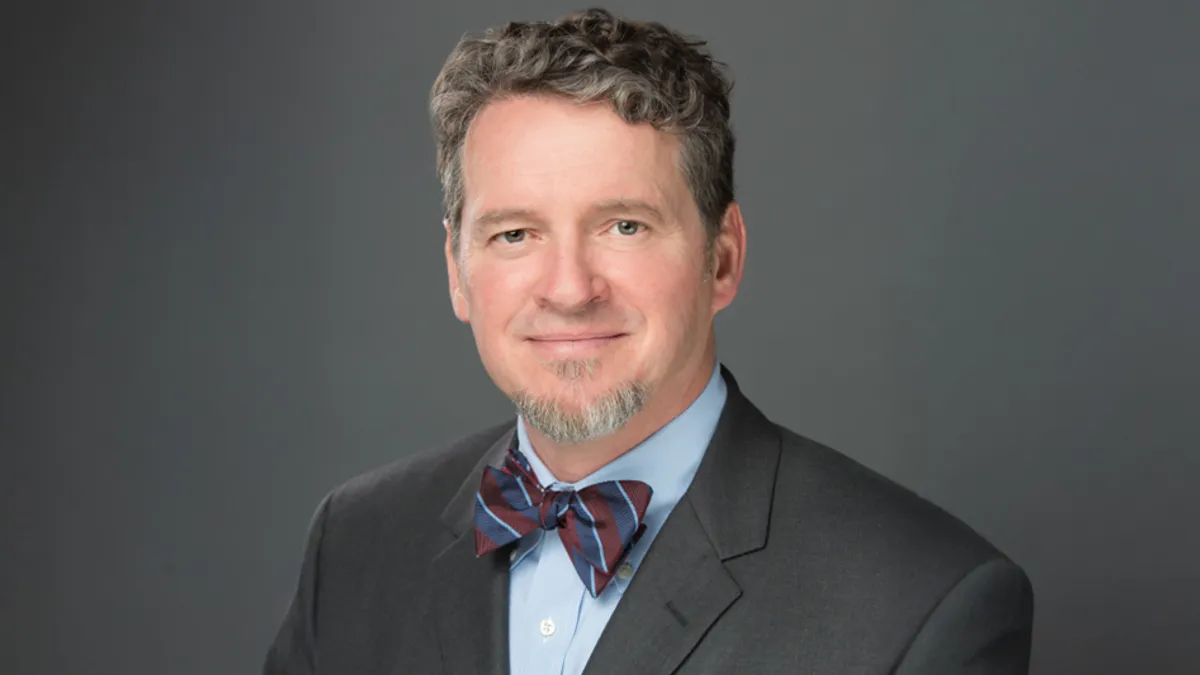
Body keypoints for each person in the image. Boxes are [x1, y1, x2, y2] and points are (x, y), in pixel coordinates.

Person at [264, 8, 1034, 675]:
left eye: (624, 225)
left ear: (721, 256)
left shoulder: (923, 601)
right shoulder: (356, 545)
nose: (568, 287)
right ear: (458, 273)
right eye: (514, 233)